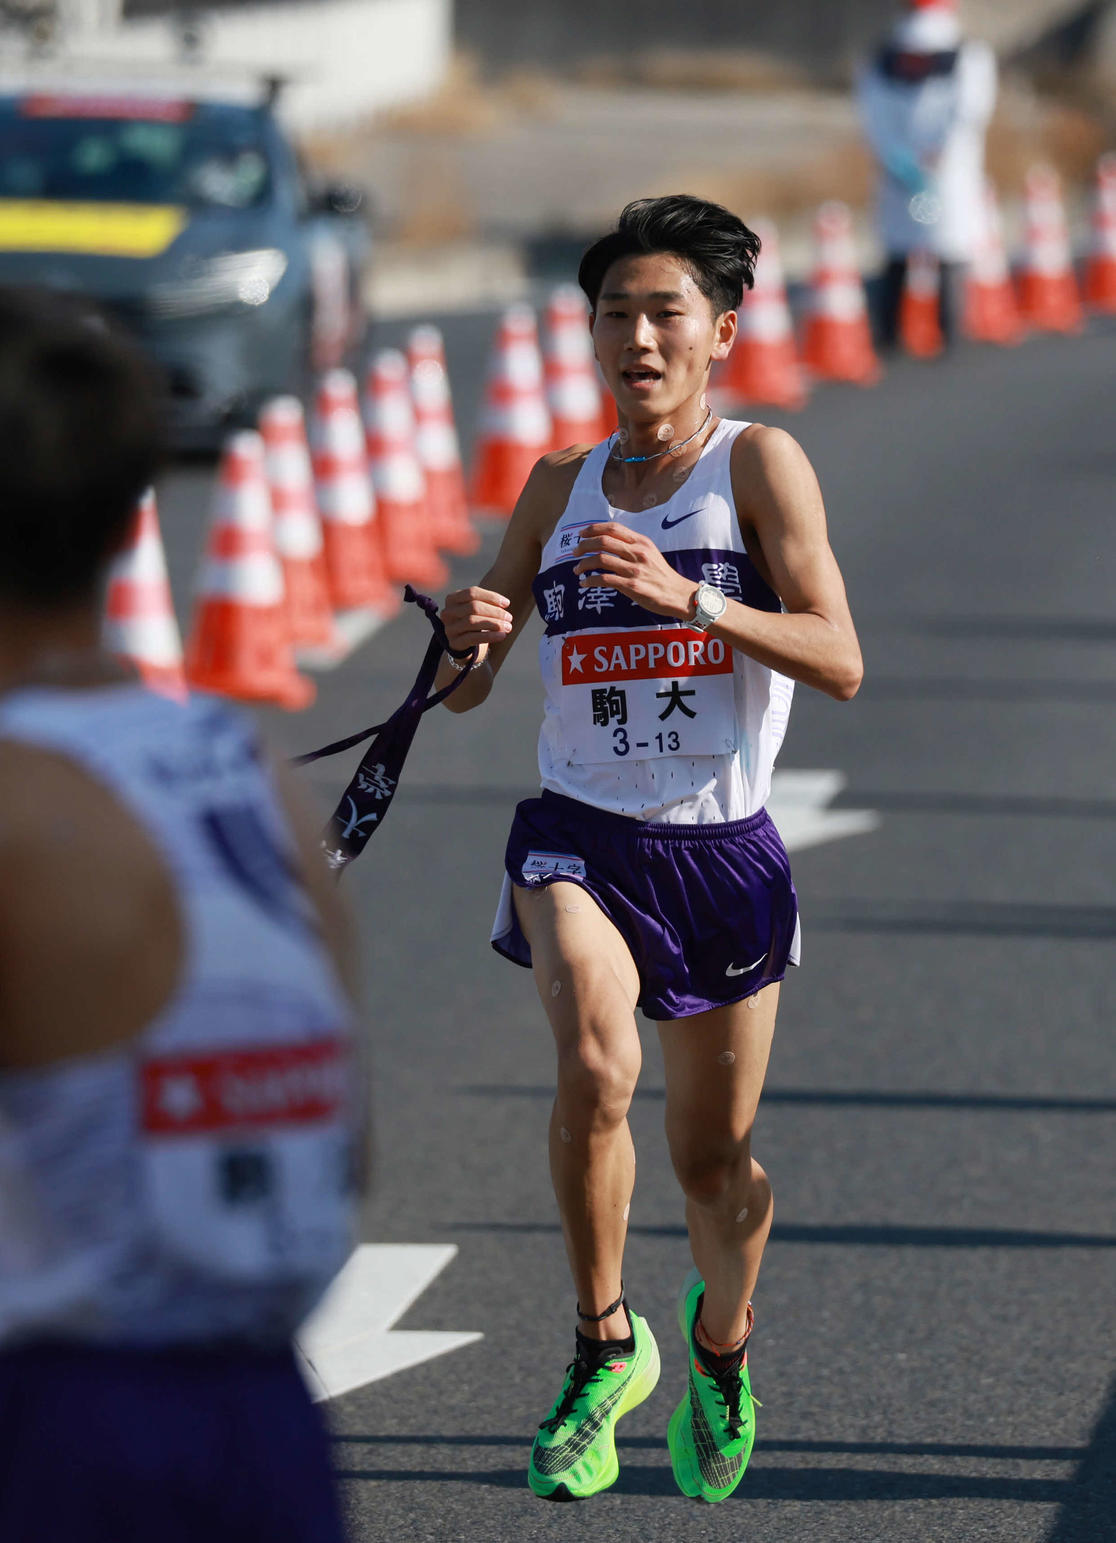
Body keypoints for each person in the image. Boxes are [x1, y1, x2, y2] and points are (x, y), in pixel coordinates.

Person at [0, 285, 360, 1542]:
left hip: (71, 1417)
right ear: (132, 527)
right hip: (274, 1418)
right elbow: (346, 1131)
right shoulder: (256, 773)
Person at [438, 194, 862, 1504]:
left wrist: (692, 597)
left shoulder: (759, 466)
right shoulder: (558, 484)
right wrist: (467, 633)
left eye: (664, 310)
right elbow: (468, 688)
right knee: (592, 1062)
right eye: (614, 311)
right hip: (580, 833)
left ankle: (720, 1345)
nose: (636, 335)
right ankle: (601, 1339)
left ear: (721, 330)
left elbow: (841, 657)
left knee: (711, 1161)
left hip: (718, 850)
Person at [855, 0, 998, 348]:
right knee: (949, 249)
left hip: (899, 171)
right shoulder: (968, 54)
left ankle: (890, 333)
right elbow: (970, 112)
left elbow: (872, 114)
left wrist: (896, 156)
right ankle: (949, 330)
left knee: (898, 251)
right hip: (948, 173)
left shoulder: (884, 55)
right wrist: (940, 155)